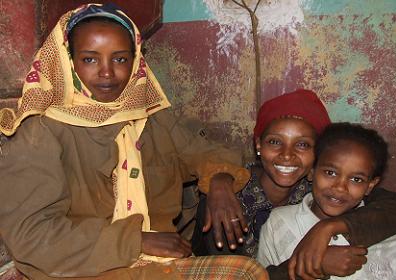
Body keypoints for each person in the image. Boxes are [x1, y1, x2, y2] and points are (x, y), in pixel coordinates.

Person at [0, 3, 267, 279]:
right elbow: (32, 236)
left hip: (154, 264)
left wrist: (220, 180)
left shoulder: (148, 119)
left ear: (136, 60)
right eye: (90, 59)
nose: (107, 72)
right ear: (67, 62)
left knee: (248, 272)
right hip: (82, 270)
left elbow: (204, 152)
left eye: (120, 59)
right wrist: (136, 241)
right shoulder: (40, 132)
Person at [192, 90, 396, 276]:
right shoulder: (225, 202)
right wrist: (312, 265)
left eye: (302, 145)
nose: (286, 155)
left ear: (318, 154)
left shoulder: (323, 187)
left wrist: (327, 227)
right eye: (274, 142)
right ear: (258, 144)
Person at [257, 123, 396, 279]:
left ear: (370, 186)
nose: (340, 187)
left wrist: (328, 228)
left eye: (356, 179)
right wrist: (315, 266)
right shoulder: (279, 223)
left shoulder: (389, 224)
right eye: (330, 172)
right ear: (312, 172)